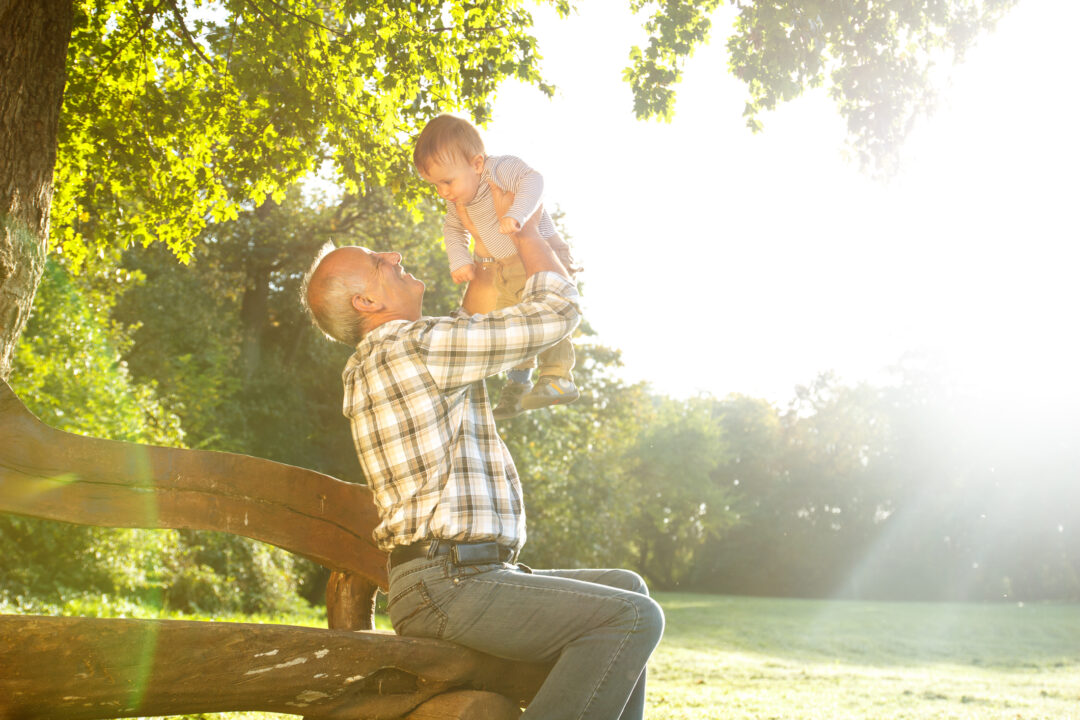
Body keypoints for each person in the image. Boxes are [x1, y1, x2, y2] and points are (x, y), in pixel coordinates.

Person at [302, 188, 663, 720]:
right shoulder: (411, 349)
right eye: (380, 262)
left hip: (454, 578)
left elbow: (469, 329)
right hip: (450, 584)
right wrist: (532, 235)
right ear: (366, 304)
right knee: (632, 617)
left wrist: (491, 272)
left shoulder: (397, 354)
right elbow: (554, 314)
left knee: (626, 589)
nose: (395, 255)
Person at [413, 113, 580, 420]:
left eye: (446, 181)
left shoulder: (499, 170)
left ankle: (558, 377)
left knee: (542, 310)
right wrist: (460, 259)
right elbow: (452, 230)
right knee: (511, 322)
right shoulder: (457, 200)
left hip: (534, 254)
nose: (443, 192)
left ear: (476, 164)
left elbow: (535, 180)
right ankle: (518, 387)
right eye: (436, 185)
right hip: (504, 264)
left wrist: (516, 213)